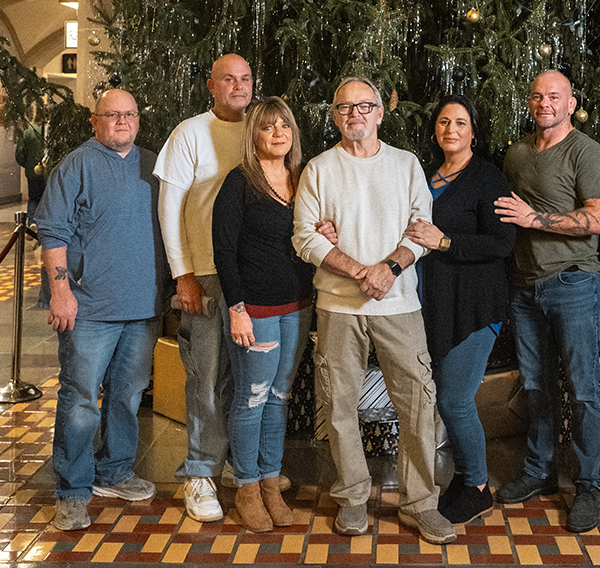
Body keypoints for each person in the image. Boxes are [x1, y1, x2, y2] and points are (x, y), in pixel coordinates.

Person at [292, 76, 456, 545]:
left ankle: (421, 503)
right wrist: (360, 271)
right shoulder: (319, 169)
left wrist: (387, 269)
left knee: (418, 403)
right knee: (339, 404)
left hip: (399, 305)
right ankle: (352, 499)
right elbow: (305, 236)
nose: (355, 115)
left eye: (365, 106)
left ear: (381, 113)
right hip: (338, 307)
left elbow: (421, 230)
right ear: (334, 115)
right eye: (345, 107)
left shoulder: (405, 165)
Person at [155, 53, 285, 524]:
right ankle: (201, 473)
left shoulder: (263, 129)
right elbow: (170, 208)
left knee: (250, 381)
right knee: (207, 377)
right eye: (228, 79)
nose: (239, 86)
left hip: (258, 280)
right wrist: (182, 274)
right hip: (207, 274)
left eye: (246, 78)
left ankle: (241, 466)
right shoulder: (189, 133)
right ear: (211, 85)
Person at [35, 89, 166, 531]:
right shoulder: (75, 165)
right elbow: (51, 231)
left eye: (130, 114)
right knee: (79, 400)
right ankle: (73, 489)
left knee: (128, 396)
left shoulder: (152, 164)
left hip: (142, 305)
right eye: (112, 115)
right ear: (95, 121)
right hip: (87, 307)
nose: (122, 122)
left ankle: (115, 471)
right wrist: (60, 293)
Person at [494, 69, 600, 534]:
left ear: (571, 103)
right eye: (538, 95)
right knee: (536, 384)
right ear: (530, 102)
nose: (545, 103)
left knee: (584, 389)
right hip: (525, 287)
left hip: (573, 285)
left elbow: (599, 219)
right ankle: (539, 470)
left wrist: (533, 218)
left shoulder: (586, 151)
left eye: (555, 96)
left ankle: (587, 484)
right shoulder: (517, 153)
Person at [404, 96, 515, 525]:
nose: (451, 129)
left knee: (454, 400)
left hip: (475, 305)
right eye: (444, 122)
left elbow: (501, 244)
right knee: (447, 398)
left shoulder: (487, 178)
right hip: (434, 302)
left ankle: (479, 488)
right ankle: (466, 477)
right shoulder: (425, 176)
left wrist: (445, 241)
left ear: (473, 131)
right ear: (436, 130)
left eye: (461, 122)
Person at [212, 97, 314, 533]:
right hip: (253, 308)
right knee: (251, 398)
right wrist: (236, 310)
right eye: (268, 127)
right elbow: (224, 251)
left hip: (298, 305)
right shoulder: (240, 183)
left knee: (279, 397)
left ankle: (272, 482)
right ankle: (247, 487)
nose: (278, 134)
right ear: (253, 135)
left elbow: (312, 231)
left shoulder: (303, 179)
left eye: (284, 127)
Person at [15, 113, 46, 227]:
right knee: (47, 197)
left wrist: (28, 165)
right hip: (49, 171)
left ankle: (32, 221)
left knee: (33, 198)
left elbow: (19, 153)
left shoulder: (27, 131)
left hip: (32, 171)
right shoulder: (50, 132)